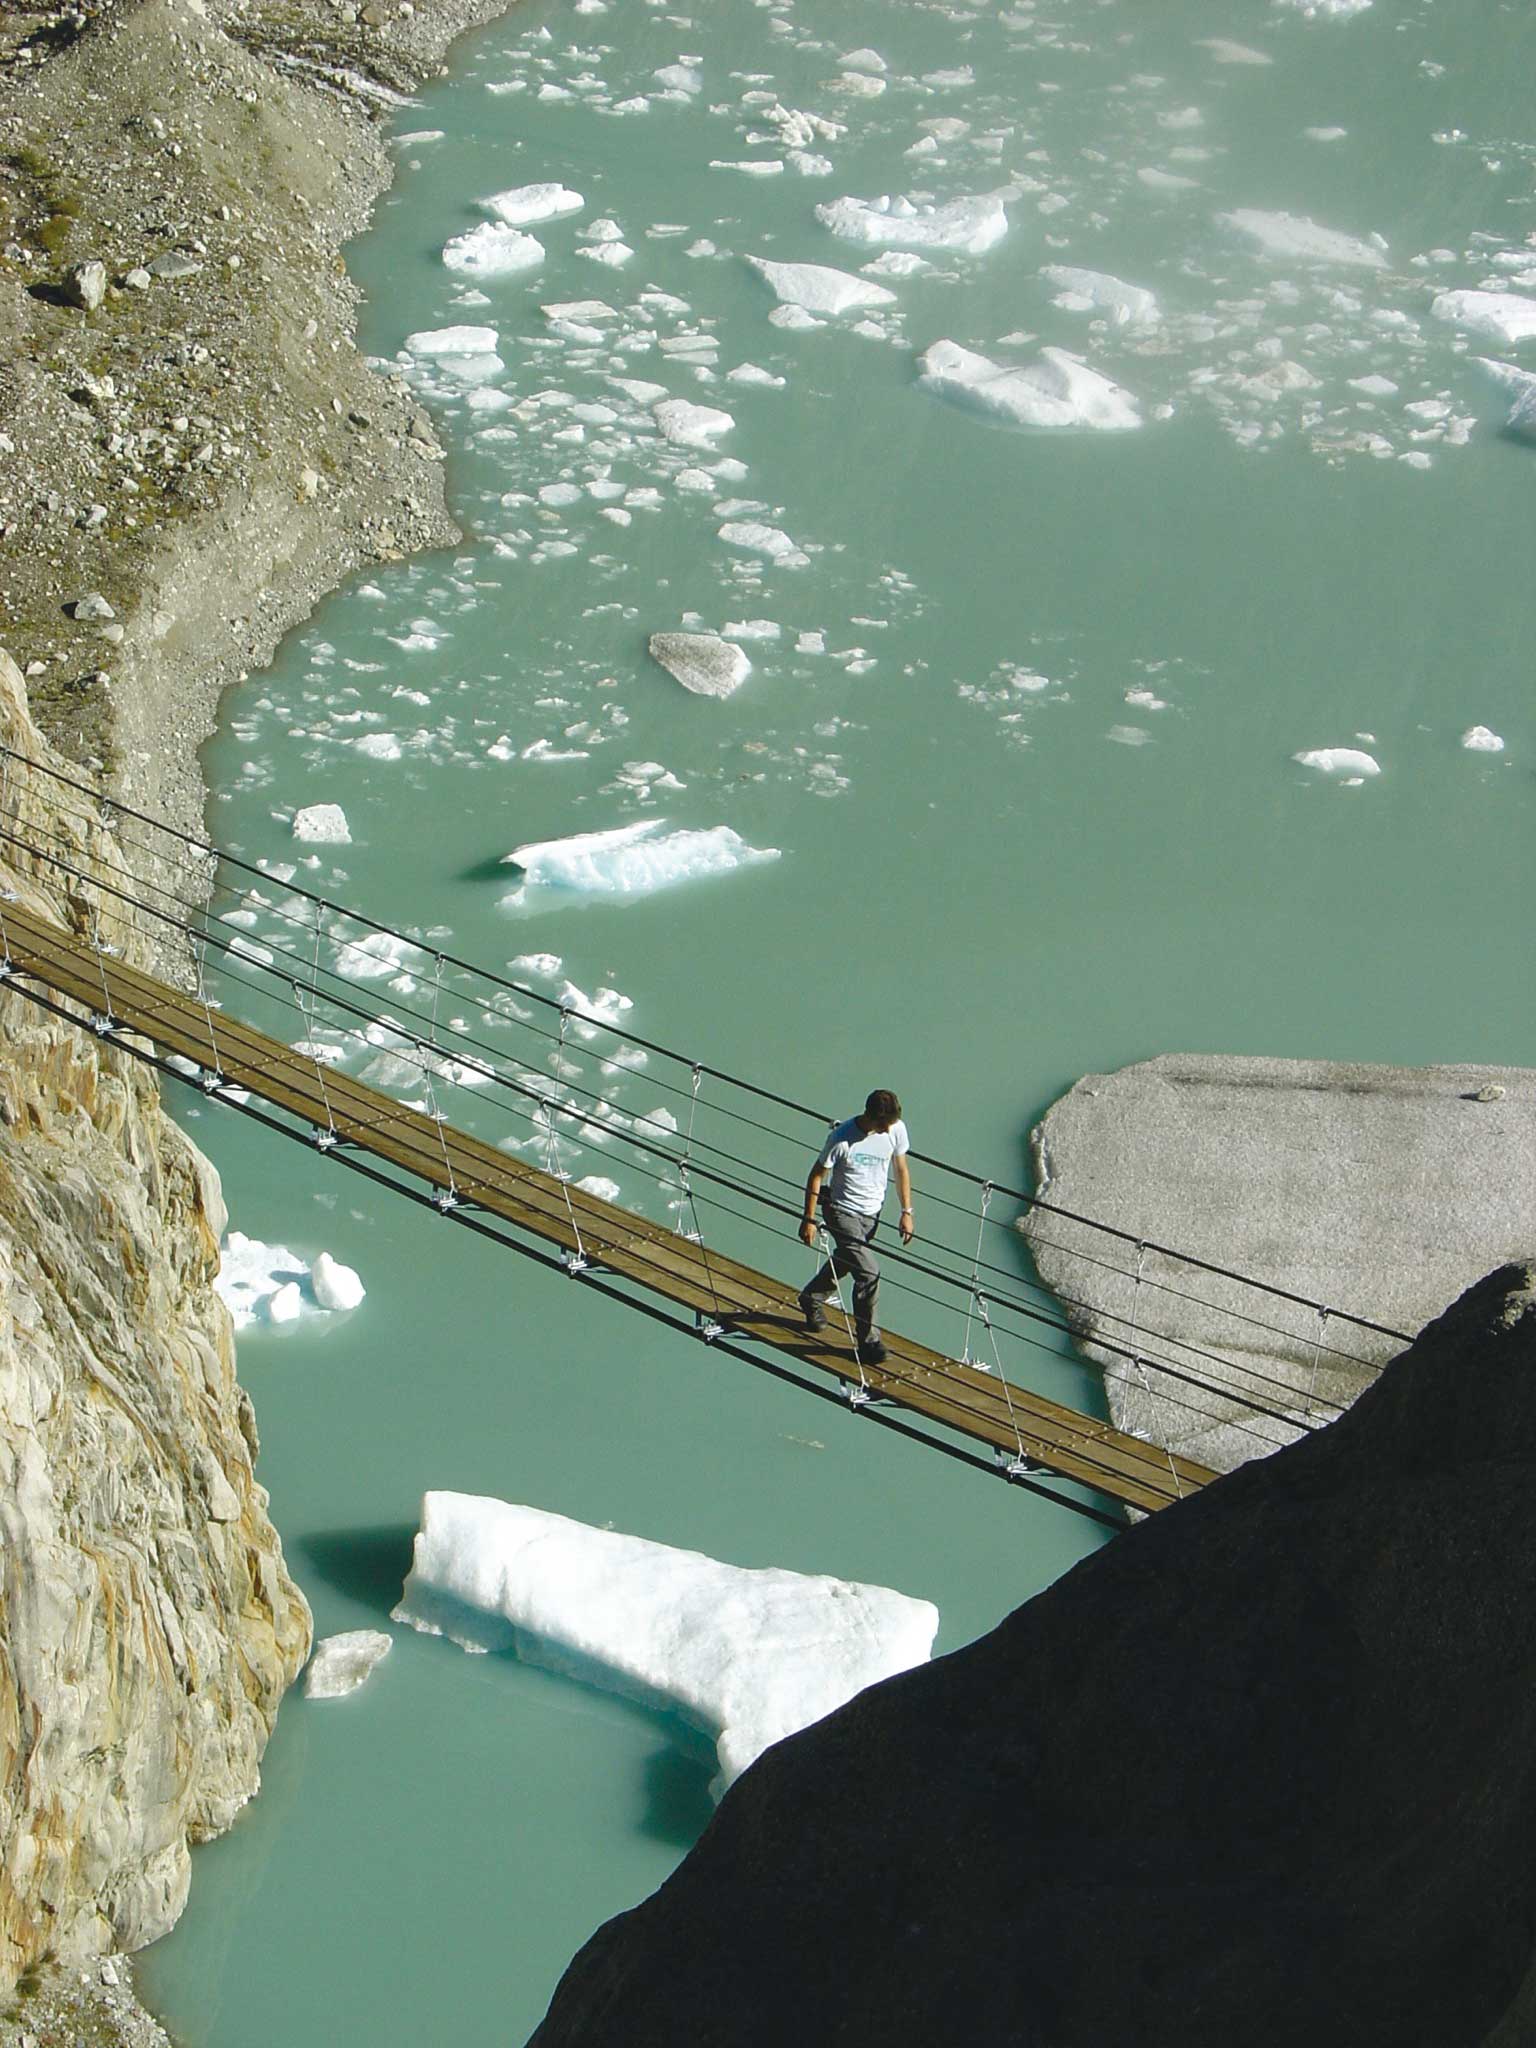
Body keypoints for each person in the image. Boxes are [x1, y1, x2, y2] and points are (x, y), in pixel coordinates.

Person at [797, 1088, 913, 1365]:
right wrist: (809, 1219)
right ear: (872, 1117)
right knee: (869, 1272)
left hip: (872, 1213)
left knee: (848, 1260)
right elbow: (816, 1176)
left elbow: (901, 1169)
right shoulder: (841, 1138)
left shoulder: (896, 1129)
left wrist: (907, 1211)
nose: (889, 1130)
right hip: (841, 1211)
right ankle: (868, 1343)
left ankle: (811, 1298)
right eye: (884, 1125)